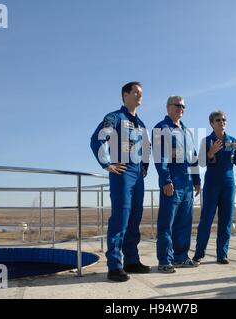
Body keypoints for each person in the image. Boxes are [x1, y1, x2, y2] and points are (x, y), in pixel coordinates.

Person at [90, 81, 151, 282]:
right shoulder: (114, 117)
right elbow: (97, 139)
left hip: (137, 176)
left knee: (135, 218)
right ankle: (114, 265)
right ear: (125, 95)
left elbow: (145, 148)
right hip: (122, 173)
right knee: (120, 219)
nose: (140, 95)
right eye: (136, 92)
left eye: (141, 93)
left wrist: (144, 168)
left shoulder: (141, 123)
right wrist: (107, 164)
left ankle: (131, 261)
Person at [152, 95, 201, 273]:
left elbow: (193, 157)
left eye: (183, 107)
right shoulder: (161, 128)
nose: (181, 109)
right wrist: (165, 179)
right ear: (168, 107)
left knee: (184, 224)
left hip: (187, 185)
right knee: (167, 224)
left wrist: (197, 180)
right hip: (172, 183)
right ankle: (165, 260)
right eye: (178, 105)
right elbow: (160, 157)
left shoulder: (187, 132)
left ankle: (181, 257)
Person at [193, 110, 236, 265]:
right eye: (218, 120)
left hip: (228, 182)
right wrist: (211, 152)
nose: (221, 122)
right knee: (206, 219)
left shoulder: (232, 139)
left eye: (224, 120)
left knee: (226, 219)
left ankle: (222, 254)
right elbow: (201, 162)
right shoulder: (206, 140)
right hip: (212, 183)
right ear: (211, 123)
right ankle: (198, 254)